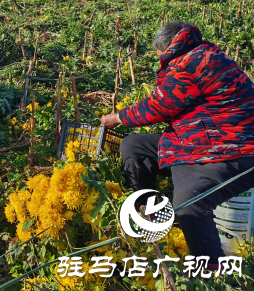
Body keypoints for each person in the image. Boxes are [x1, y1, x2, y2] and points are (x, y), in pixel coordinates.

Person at [101, 22, 254, 268]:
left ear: (167, 47)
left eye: (159, 55)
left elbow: (161, 105)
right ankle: (149, 212)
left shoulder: (189, 64)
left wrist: (118, 117)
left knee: (189, 204)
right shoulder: (200, 52)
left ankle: (212, 270)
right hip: (198, 137)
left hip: (230, 149)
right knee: (134, 147)